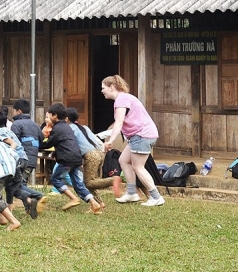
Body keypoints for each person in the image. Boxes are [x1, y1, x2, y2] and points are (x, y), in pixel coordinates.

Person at [101, 75, 165, 207]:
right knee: (123, 161)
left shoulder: (121, 100)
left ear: (112, 87)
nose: (102, 91)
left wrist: (110, 141)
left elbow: (118, 123)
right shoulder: (125, 98)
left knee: (138, 167)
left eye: (103, 88)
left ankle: (156, 197)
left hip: (142, 135)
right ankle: (132, 193)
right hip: (140, 136)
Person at [40, 103, 103, 214]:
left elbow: (47, 144)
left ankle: (73, 198)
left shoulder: (57, 128)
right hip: (76, 158)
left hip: (66, 160)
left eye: (49, 115)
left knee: (55, 179)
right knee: (78, 184)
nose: (48, 118)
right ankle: (94, 203)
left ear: (55, 116)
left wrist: (37, 142)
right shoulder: (67, 127)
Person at [0, 111, 44, 219]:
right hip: (24, 159)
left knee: (12, 188)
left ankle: (28, 200)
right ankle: (15, 208)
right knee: (12, 187)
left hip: (16, 160)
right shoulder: (9, 131)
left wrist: (9, 154)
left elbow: (12, 144)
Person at [10, 98, 43, 185]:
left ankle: (36, 196)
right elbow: (42, 141)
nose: (13, 113)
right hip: (32, 161)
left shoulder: (16, 124)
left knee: (18, 185)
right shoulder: (36, 125)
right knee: (21, 183)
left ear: (19, 111)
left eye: (14, 111)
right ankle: (29, 197)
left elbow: (13, 142)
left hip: (21, 160)